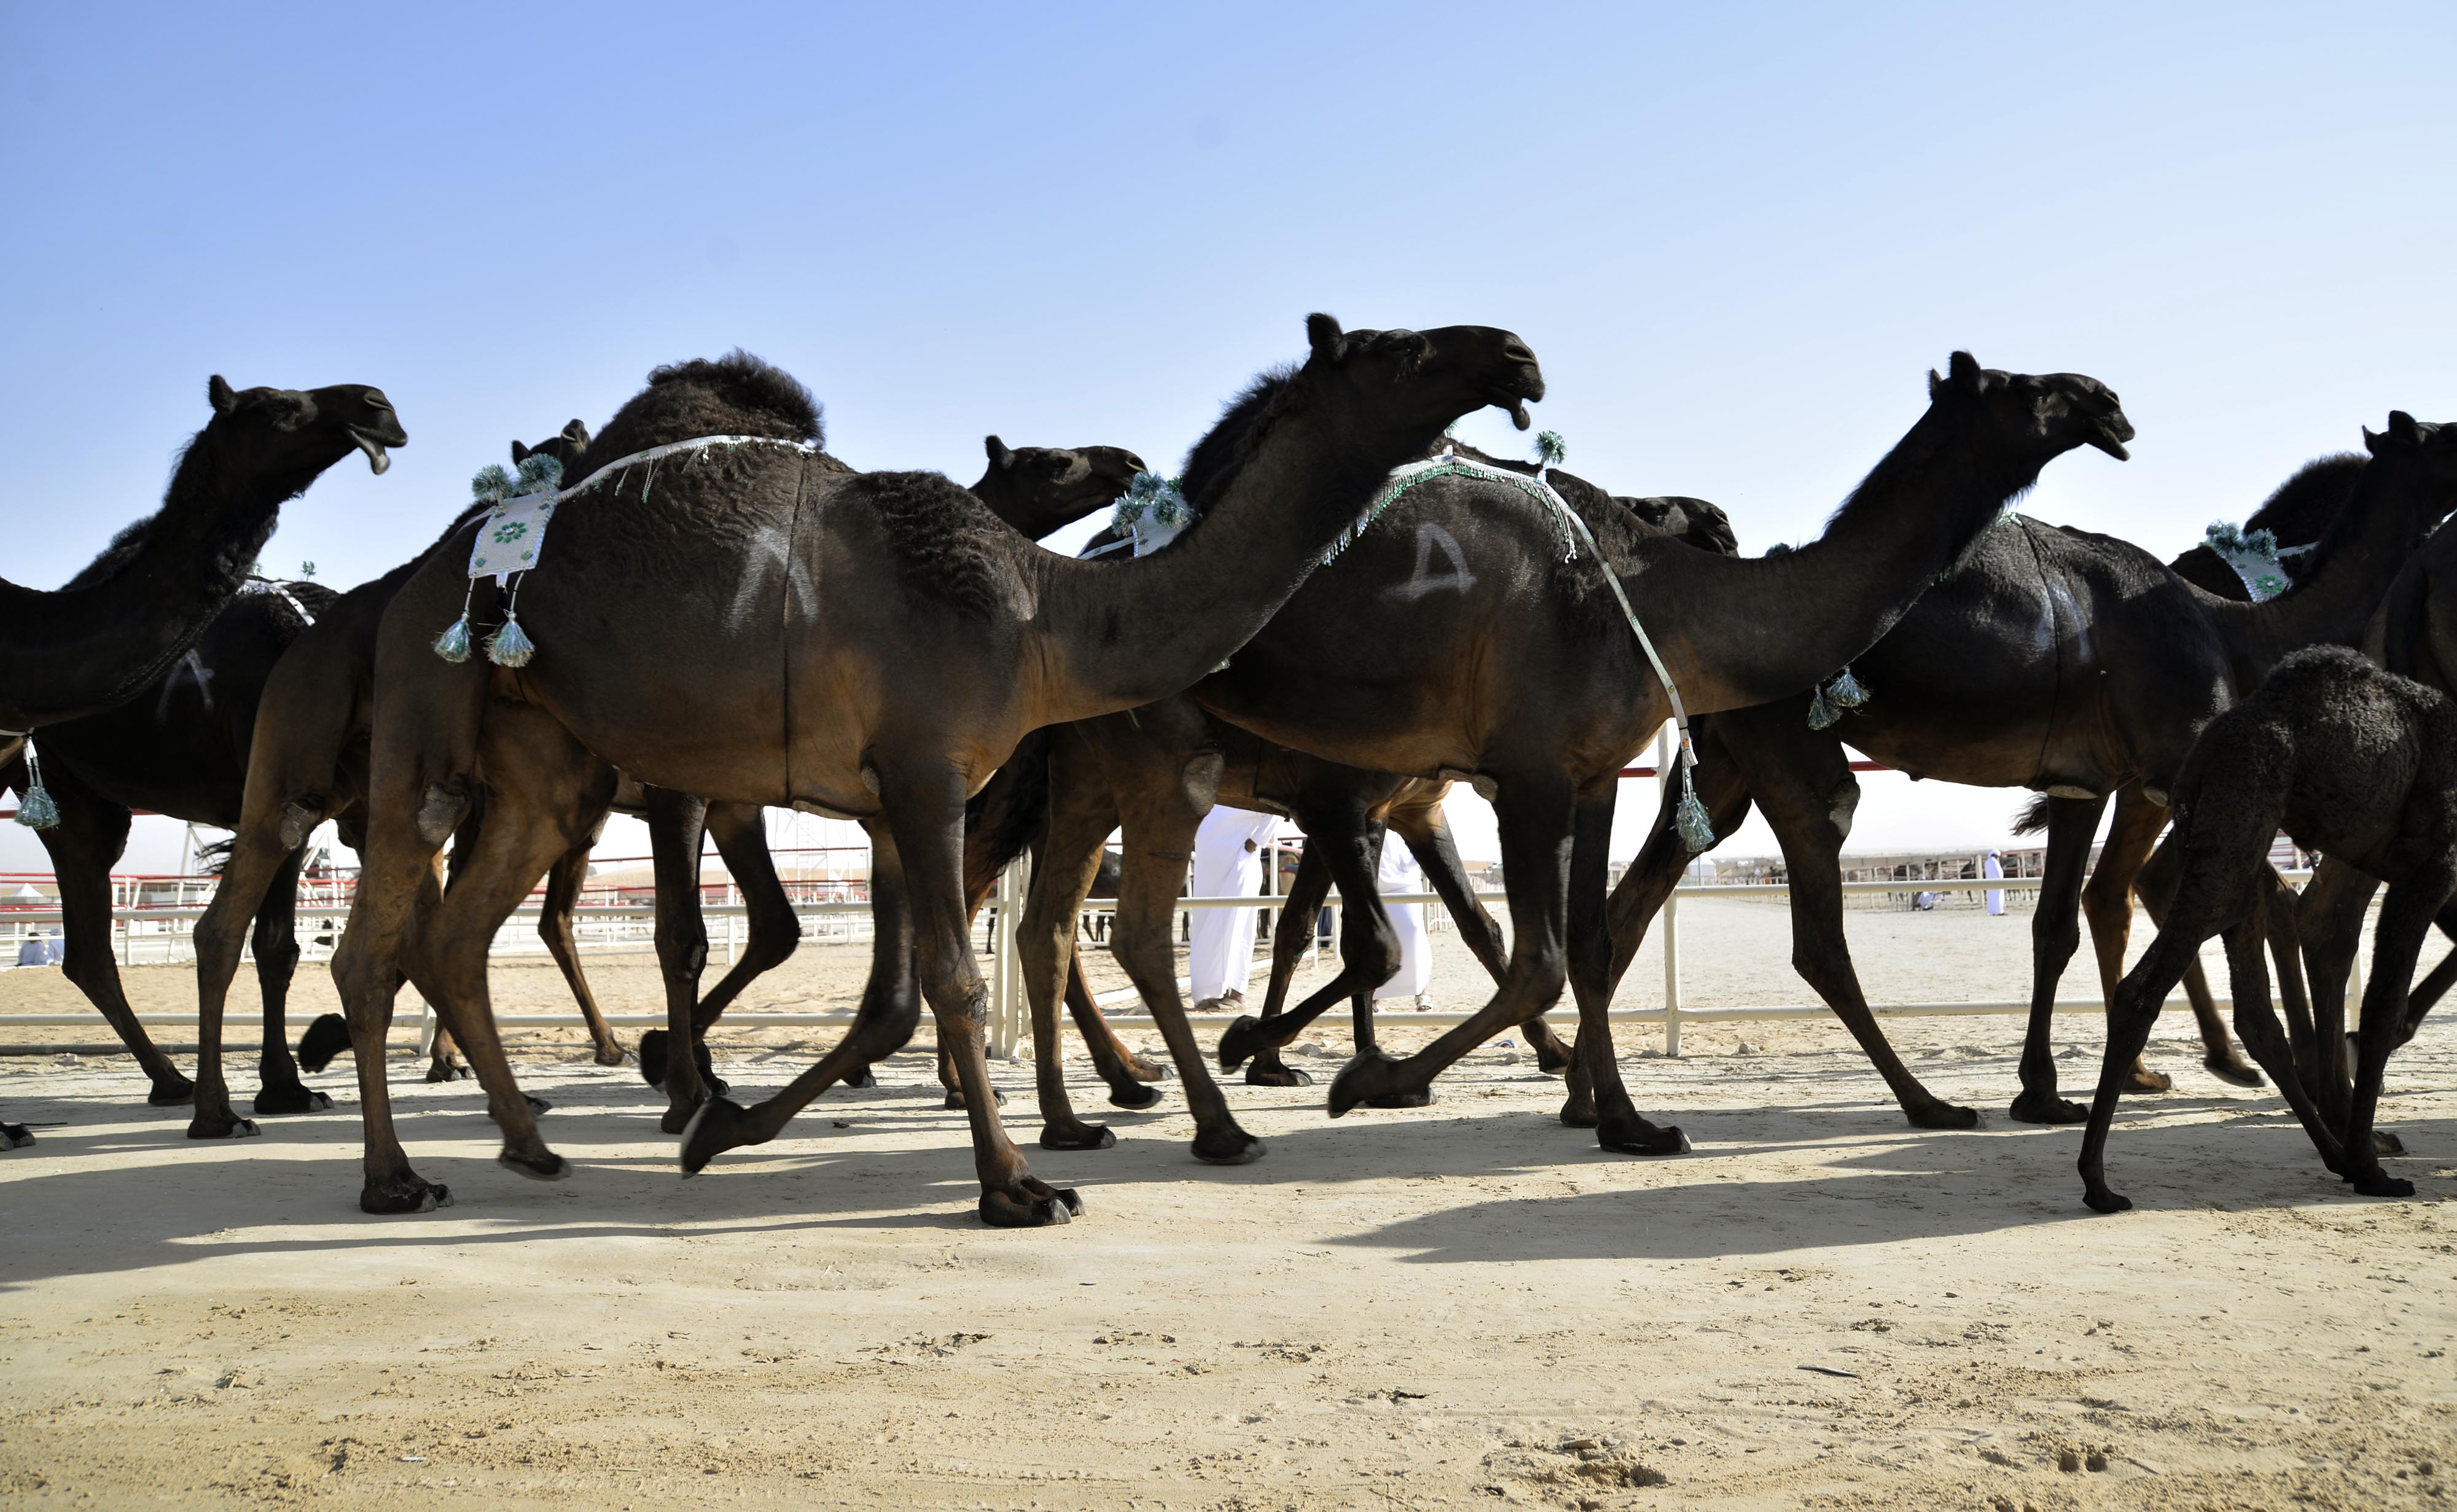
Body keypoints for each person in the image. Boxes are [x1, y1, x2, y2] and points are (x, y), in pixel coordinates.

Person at [1189, 805, 1281, 1011]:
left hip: (1237, 864)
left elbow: (1275, 809)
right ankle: (1215, 992)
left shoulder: (1252, 775)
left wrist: (1255, 842)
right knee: (1207, 930)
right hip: (1209, 871)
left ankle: (1237, 994)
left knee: (1236, 927)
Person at [1364, 836, 1436, 1010]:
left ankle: (1422, 992)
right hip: (1371, 879)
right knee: (1375, 939)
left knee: (1414, 930)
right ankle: (1376, 998)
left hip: (1405, 879)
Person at [1983, 848, 2006, 916]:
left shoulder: (1987, 862)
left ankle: (1992, 911)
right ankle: (1999, 911)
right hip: (1997, 883)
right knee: (1998, 897)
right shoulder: (1994, 862)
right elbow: (1998, 872)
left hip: (1990, 883)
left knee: (1991, 898)